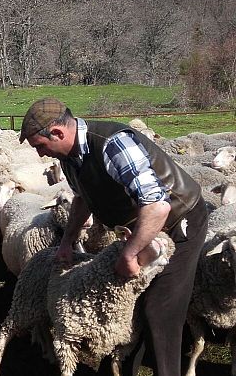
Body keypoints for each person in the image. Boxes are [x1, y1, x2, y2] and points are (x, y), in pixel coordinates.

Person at [19, 97, 208, 376]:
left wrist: (130, 253)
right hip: (140, 229)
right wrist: (67, 240)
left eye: (40, 146)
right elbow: (83, 198)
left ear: (57, 133)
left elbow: (157, 205)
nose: (40, 155)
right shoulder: (71, 157)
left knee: (160, 307)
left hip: (177, 223)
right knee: (127, 302)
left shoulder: (113, 144)